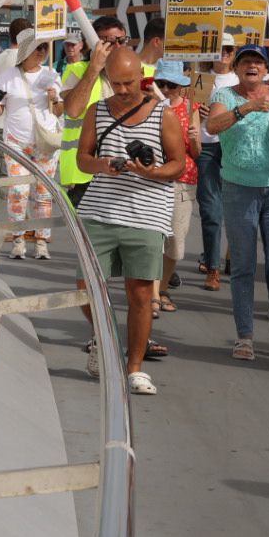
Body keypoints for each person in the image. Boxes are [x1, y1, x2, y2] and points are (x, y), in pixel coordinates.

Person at [75, 47, 187, 395]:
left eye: (129, 82)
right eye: (117, 83)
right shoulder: (98, 111)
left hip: (146, 213)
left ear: (141, 75)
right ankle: (104, 336)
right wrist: (102, 165)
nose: (123, 90)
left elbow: (178, 165)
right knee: (85, 289)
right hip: (99, 211)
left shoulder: (162, 114)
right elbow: (82, 158)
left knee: (140, 294)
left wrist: (149, 172)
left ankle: (134, 368)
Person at [205, 44, 269, 359]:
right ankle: (244, 336)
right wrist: (248, 108)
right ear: (237, 68)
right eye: (246, 61)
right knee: (244, 267)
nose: (252, 66)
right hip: (239, 189)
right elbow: (212, 126)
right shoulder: (225, 97)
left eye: (258, 62)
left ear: (266, 70)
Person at [0, 29, 63, 259]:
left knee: (44, 193)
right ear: (25, 51)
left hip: (45, 143)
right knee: (18, 190)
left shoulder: (52, 74)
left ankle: (42, 242)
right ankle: (18, 239)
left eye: (44, 48)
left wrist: (54, 97)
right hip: (16, 142)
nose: (42, 53)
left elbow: (59, 111)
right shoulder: (8, 76)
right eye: (37, 48)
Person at [59, 16, 134, 206]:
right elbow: (73, 110)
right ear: (93, 44)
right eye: (108, 42)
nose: (116, 47)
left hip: (126, 168)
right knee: (86, 234)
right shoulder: (77, 70)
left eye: (121, 41)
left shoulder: (135, 72)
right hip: (86, 173)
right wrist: (94, 68)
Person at [150, 61, 200, 315]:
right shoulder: (149, 107)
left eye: (172, 84)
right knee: (153, 240)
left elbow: (196, 152)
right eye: (161, 83)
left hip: (182, 180)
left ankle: (163, 287)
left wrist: (194, 138)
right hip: (153, 179)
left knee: (175, 244)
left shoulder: (191, 108)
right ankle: (153, 295)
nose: (166, 89)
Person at [196, 39, 238, 289]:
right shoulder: (200, 78)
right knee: (211, 210)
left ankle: (234, 258)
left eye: (228, 50)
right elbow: (187, 110)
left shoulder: (240, 80)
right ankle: (213, 267)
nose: (223, 54)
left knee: (237, 209)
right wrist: (196, 112)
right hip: (207, 147)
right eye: (219, 49)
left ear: (234, 54)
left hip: (235, 148)